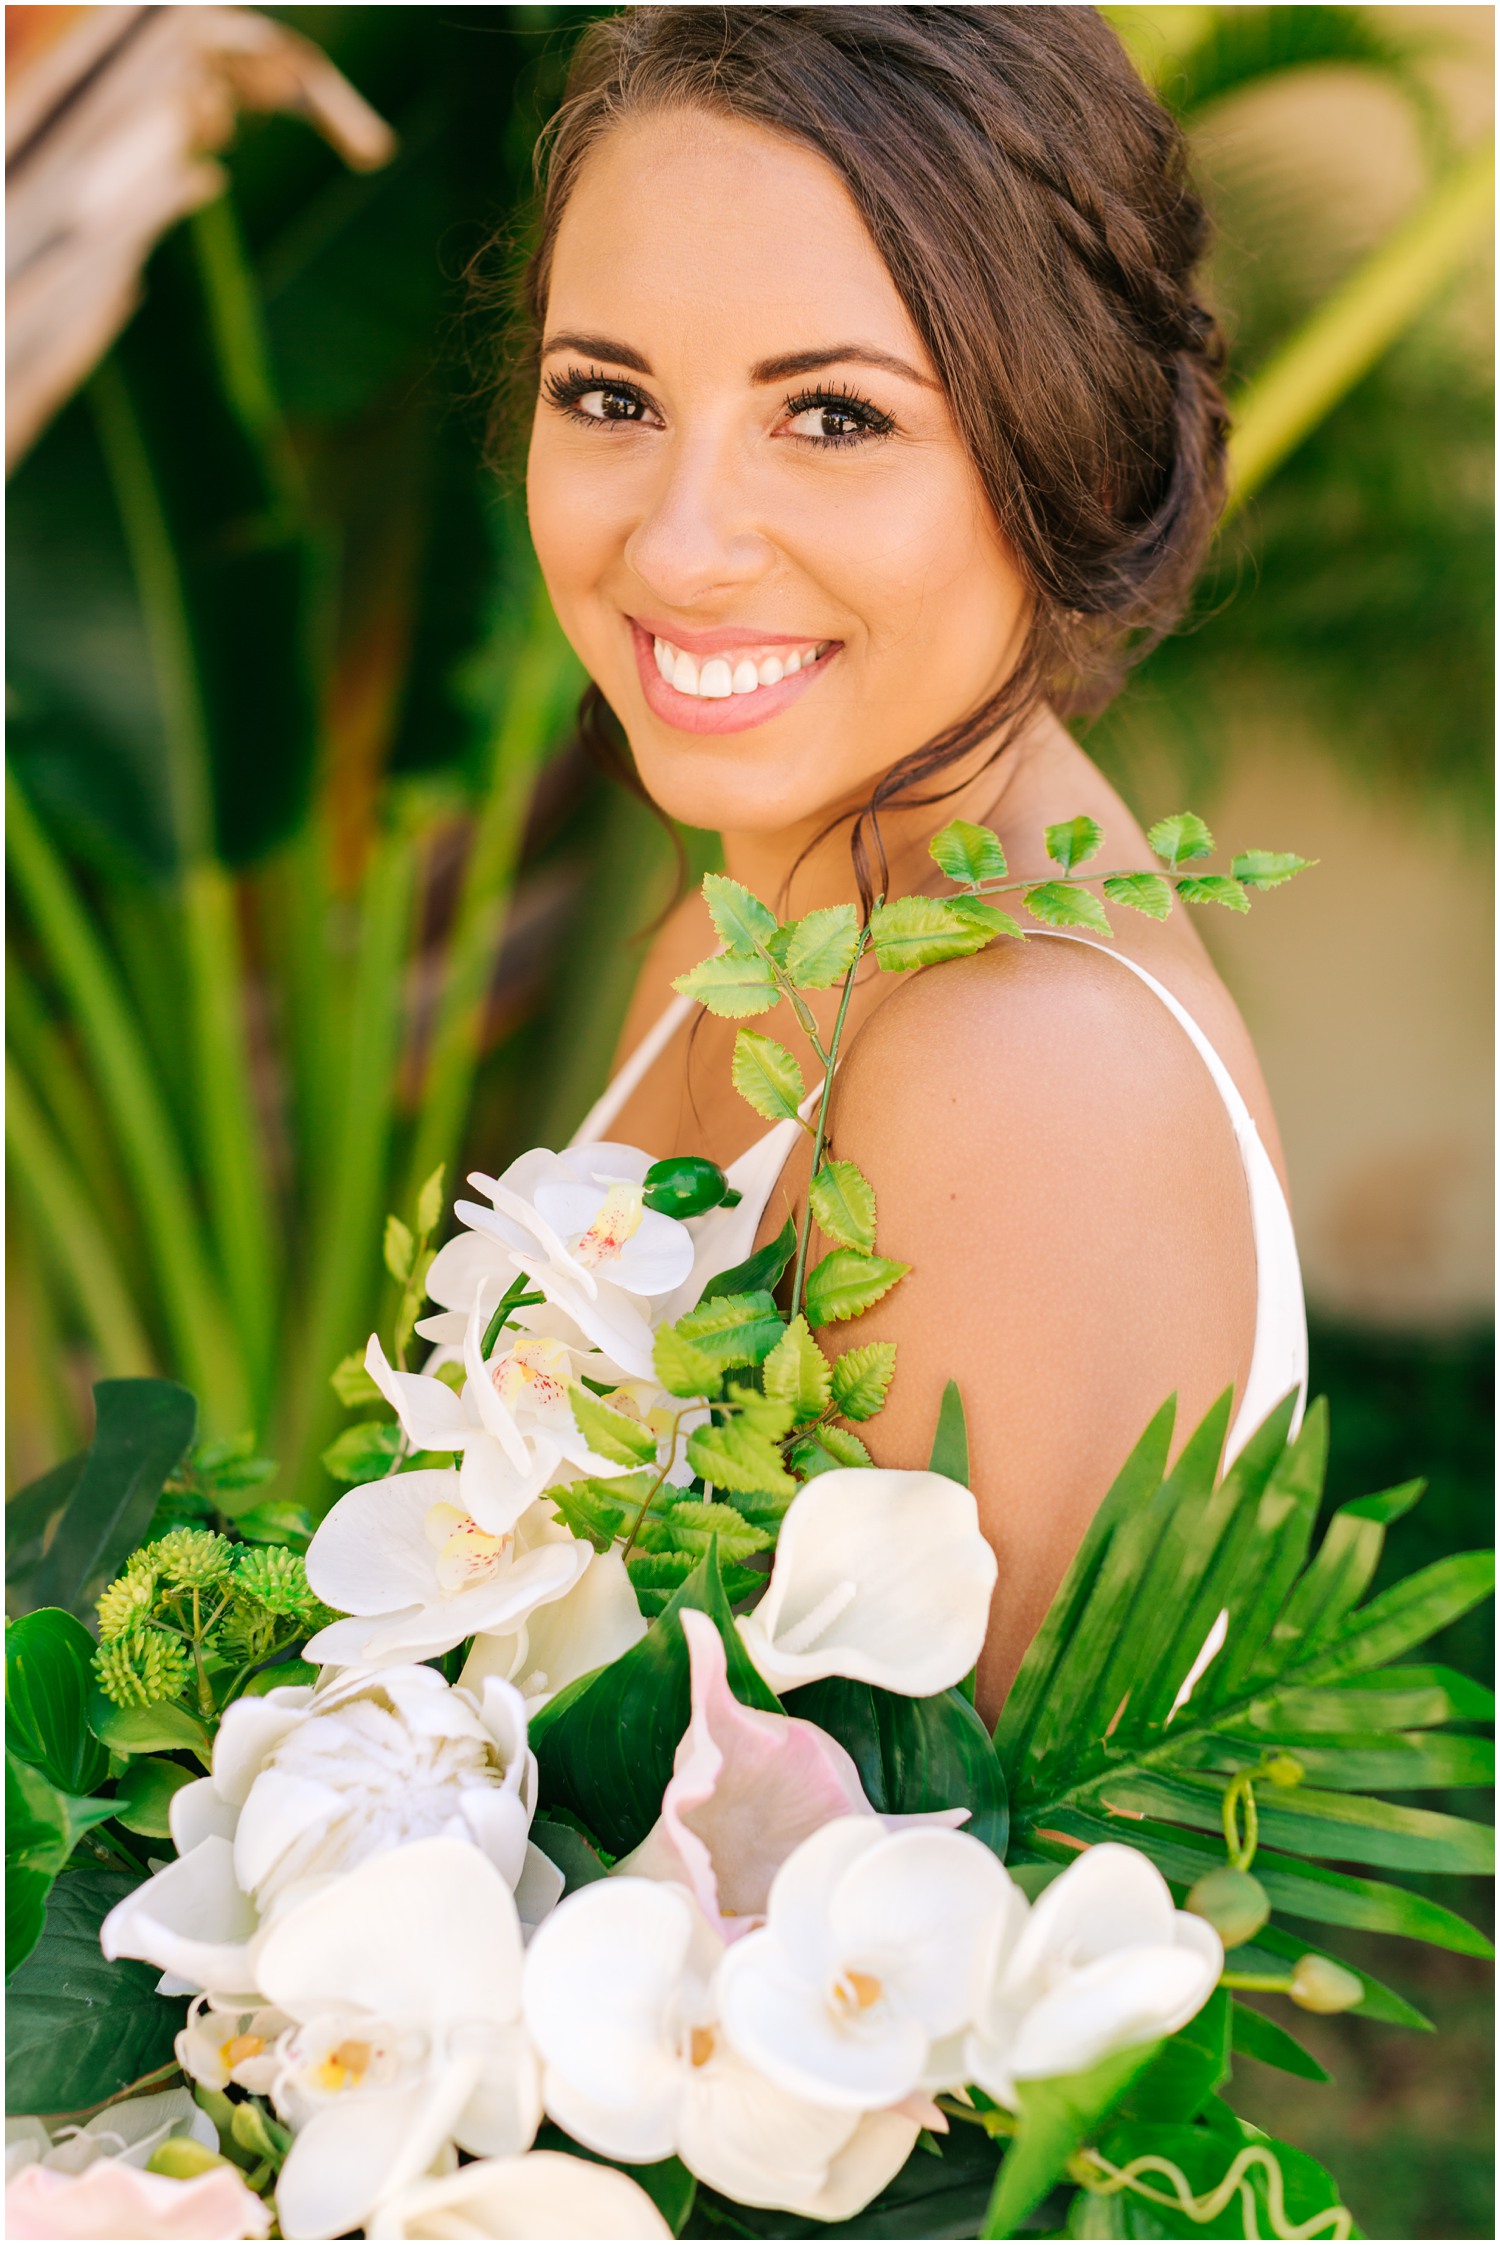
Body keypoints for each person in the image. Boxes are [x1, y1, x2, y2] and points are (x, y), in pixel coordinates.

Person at [519, 4, 1307, 1716]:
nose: (679, 540)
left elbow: (962, 1919)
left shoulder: (1020, 1060)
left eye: (835, 418)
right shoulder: (754, 921)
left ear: (1062, 444)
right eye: (610, 395)